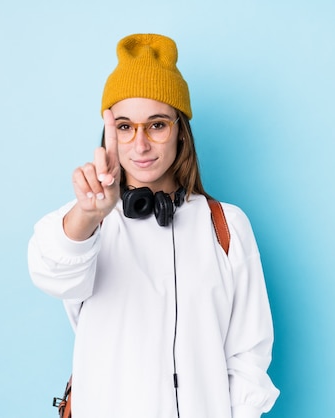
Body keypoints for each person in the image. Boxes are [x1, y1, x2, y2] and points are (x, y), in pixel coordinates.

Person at [28, 33, 279, 418]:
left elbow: (248, 353)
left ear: (181, 130)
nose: (140, 145)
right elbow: (51, 272)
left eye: (156, 125)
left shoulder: (226, 225)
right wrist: (90, 215)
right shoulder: (87, 221)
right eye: (125, 127)